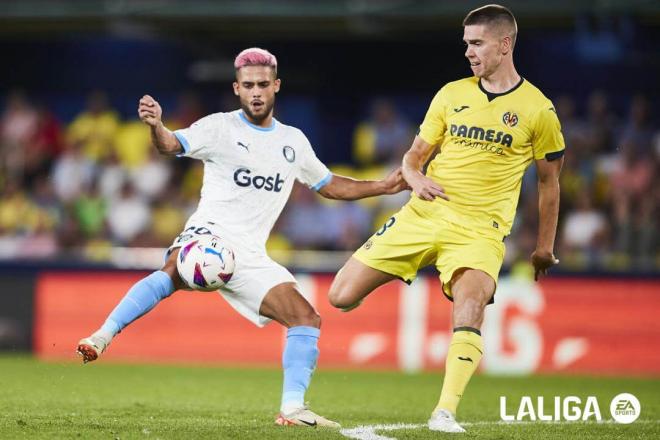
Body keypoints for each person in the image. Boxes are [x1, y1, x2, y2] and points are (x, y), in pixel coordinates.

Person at [76, 47, 408, 428]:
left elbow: (330, 186)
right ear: (236, 88)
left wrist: (382, 186)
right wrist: (156, 126)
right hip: (210, 234)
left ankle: (293, 409)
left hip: (250, 254)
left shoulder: (293, 141)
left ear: (276, 86)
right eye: (248, 85)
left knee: (306, 317)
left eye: (263, 85)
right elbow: (171, 145)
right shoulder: (219, 127)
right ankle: (102, 335)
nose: (256, 92)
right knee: (172, 271)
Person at [328, 4, 565, 433]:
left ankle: (445, 412)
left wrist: (544, 246)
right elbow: (414, 156)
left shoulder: (539, 111)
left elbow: (550, 183)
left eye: (477, 43)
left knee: (470, 307)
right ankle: (408, 270)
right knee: (340, 296)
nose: (469, 52)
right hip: (424, 214)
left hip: (480, 230)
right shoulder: (451, 94)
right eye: (466, 44)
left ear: (504, 44)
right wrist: (415, 178)